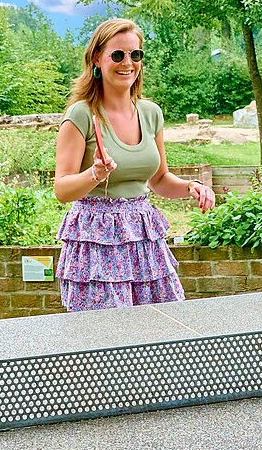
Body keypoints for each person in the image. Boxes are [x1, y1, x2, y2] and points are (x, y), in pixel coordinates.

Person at [54, 18, 216, 311]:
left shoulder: (151, 113)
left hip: (143, 236)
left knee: (162, 327)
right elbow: (62, 190)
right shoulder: (81, 115)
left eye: (135, 54)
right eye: (117, 55)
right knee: (107, 336)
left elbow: (160, 179)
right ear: (97, 59)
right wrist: (94, 174)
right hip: (96, 240)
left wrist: (191, 187)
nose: (127, 62)